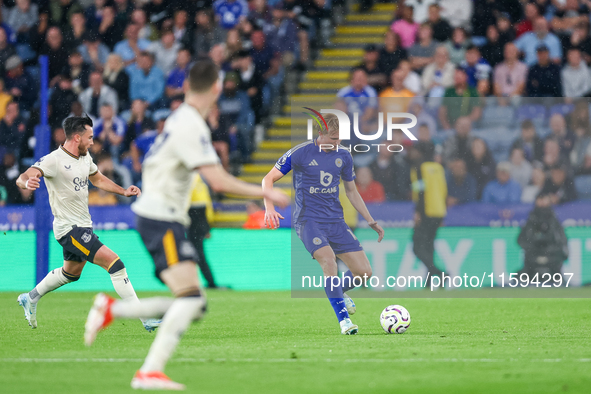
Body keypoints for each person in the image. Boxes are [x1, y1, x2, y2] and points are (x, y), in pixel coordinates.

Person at [83, 59, 289, 390]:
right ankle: (141, 359)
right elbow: (217, 179)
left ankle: (124, 330)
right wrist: (265, 191)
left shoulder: (179, 119)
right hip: (160, 217)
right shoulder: (191, 124)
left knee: (194, 302)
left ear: (186, 86)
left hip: (161, 216)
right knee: (191, 299)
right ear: (217, 88)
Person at [15, 115, 158, 332]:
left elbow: (97, 178)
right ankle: (144, 318)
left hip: (83, 226)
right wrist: (27, 182)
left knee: (70, 273)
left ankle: (31, 297)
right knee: (115, 265)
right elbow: (24, 176)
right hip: (70, 229)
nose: (92, 141)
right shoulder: (54, 160)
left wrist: (123, 190)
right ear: (76, 137)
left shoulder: (84, 156)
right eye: (90, 137)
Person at [262, 113, 385, 336]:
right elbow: (268, 179)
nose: (337, 143)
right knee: (329, 261)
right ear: (320, 134)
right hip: (308, 220)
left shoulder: (344, 156)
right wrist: (269, 208)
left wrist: (370, 219)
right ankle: (345, 322)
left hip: (335, 221)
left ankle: (337, 291)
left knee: (364, 272)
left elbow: (351, 191)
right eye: (333, 138)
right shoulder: (301, 152)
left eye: (340, 139)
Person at [409, 142, 447, 286]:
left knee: (417, 247)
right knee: (429, 245)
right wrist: (443, 213)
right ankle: (430, 282)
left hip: (426, 210)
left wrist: (418, 211)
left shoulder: (419, 166)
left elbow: (420, 190)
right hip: (439, 211)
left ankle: (438, 273)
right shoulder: (438, 168)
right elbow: (444, 190)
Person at [517, 192, 568, 279]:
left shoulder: (554, 221)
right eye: (540, 200)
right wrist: (534, 249)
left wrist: (548, 252)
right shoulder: (531, 220)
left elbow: (562, 241)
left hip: (552, 260)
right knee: (521, 277)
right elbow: (521, 240)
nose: (542, 202)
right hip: (532, 260)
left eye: (544, 199)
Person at [187, 173, 219, 288]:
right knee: (199, 254)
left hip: (191, 217)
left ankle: (193, 283)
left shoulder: (188, 178)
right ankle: (210, 282)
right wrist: (207, 226)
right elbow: (207, 204)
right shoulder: (200, 181)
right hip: (199, 217)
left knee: (193, 254)